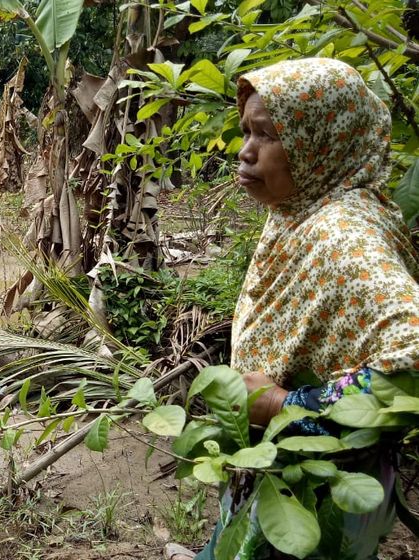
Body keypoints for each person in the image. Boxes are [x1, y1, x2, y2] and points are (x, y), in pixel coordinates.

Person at [165, 57, 419, 559]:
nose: (245, 152)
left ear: (320, 141)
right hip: (285, 478)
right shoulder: (301, 211)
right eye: (246, 132)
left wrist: (286, 405)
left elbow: (412, 360)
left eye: (267, 135)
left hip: (319, 493)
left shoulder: (344, 237)